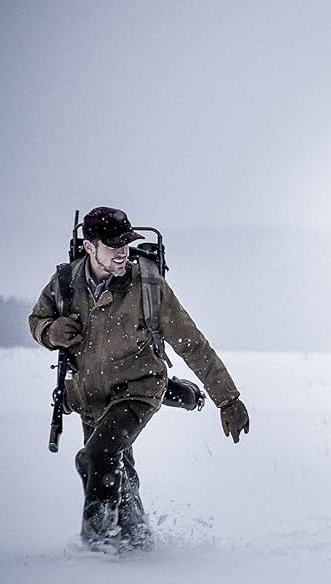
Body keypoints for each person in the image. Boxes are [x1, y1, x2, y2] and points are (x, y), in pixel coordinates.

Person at [29, 207, 250, 552]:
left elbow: (192, 344)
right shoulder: (64, 283)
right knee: (118, 467)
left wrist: (229, 399)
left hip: (140, 388)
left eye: (127, 243)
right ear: (89, 246)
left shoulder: (148, 284)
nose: (123, 252)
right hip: (90, 396)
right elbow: (37, 320)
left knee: (100, 455)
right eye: (113, 244)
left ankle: (97, 548)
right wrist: (49, 331)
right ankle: (137, 540)